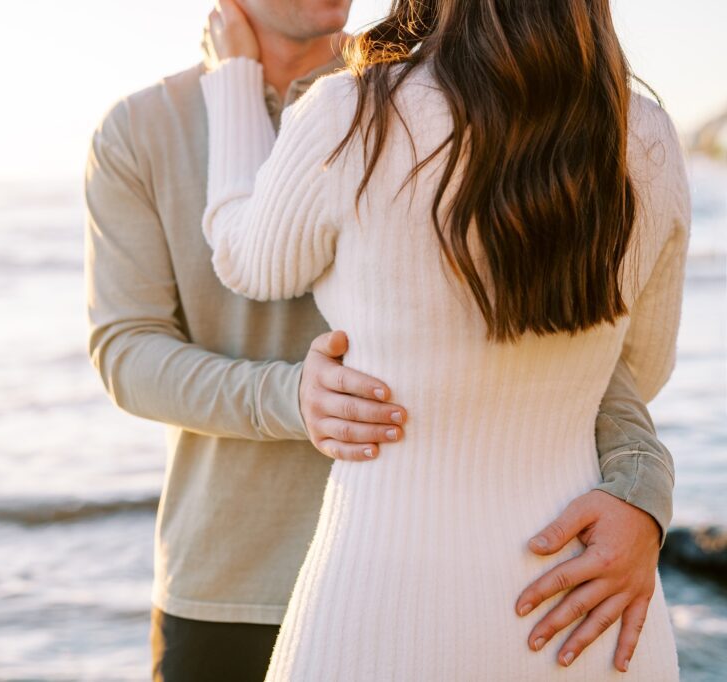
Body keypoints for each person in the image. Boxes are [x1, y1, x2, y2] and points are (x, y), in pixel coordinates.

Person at [83, 0, 678, 679]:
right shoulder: (140, 129)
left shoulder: (444, 99)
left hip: (429, 572)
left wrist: (642, 489)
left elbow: (572, 353)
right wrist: (291, 398)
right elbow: (127, 353)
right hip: (229, 579)